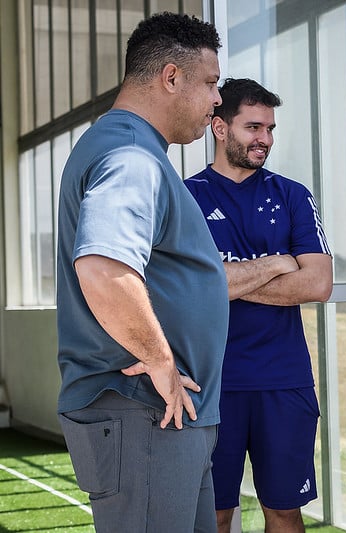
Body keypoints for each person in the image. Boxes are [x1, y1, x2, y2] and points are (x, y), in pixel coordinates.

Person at [55, 12, 227, 533]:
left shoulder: (132, 148)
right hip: (144, 412)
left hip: (164, 418)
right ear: (171, 77)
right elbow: (104, 267)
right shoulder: (132, 154)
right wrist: (159, 359)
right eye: (211, 83)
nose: (217, 99)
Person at [184, 78, 333, 533]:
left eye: (269, 128)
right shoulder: (185, 198)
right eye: (253, 127)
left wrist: (222, 280)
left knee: (285, 513)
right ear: (219, 127)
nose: (264, 138)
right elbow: (184, 287)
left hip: (283, 381)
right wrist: (273, 263)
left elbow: (318, 283)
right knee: (212, 515)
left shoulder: (293, 195)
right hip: (209, 385)